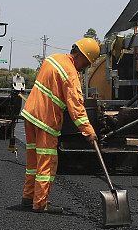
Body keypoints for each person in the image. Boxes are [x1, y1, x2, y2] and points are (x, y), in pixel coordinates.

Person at [20, 37, 100, 213]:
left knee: (33, 160)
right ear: (79, 55)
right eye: (86, 63)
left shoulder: (52, 58)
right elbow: (77, 108)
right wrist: (89, 132)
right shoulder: (70, 73)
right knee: (47, 162)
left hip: (30, 114)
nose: (85, 68)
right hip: (46, 121)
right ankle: (40, 203)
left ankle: (28, 196)